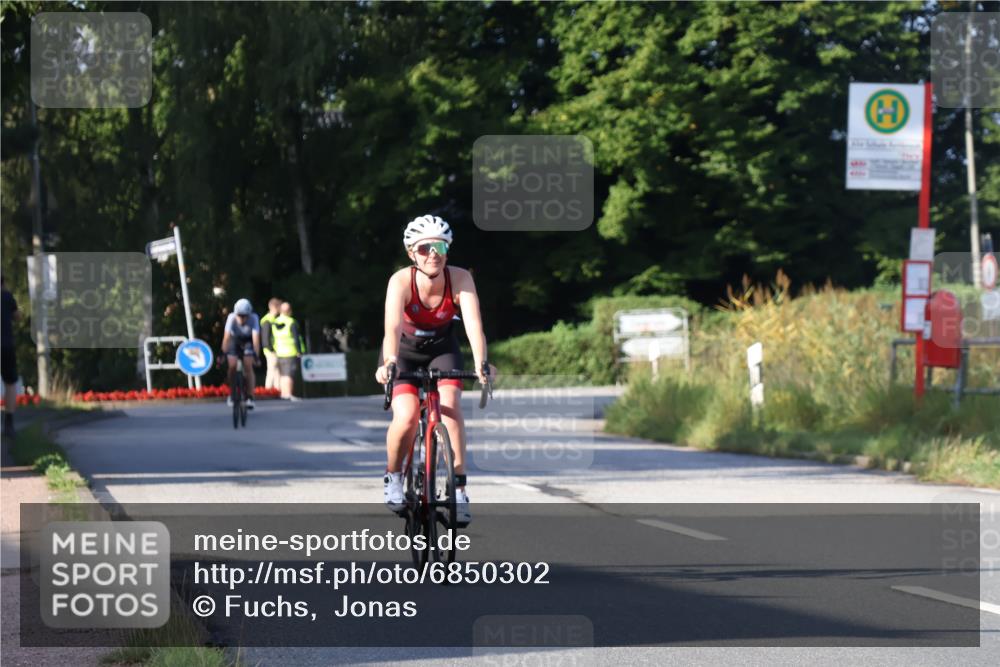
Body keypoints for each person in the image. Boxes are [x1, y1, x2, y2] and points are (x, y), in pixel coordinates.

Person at [374, 215, 494, 525]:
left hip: (442, 350)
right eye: (424, 248)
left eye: (439, 247)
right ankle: (393, 476)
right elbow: (391, 328)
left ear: (447, 249)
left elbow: (473, 324)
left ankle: (459, 490)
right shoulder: (401, 281)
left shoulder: (460, 278)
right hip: (403, 352)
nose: (432, 254)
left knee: (450, 409)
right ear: (411, 253)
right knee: (407, 415)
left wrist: (481, 362)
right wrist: (389, 362)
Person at [220, 298, 261, 409]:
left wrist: (256, 356)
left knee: (248, 366)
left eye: (244, 316)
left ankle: (250, 397)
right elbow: (226, 337)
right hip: (234, 340)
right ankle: (232, 393)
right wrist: (223, 353)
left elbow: (256, 339)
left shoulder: (254, 318)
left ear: (249, 314)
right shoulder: (231, 317)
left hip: (248, 340)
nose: (242, 318)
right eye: (239, 315)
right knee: (232, 366)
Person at [271, 301, 304, 401]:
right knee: (289, 374)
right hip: (290, 352)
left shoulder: (275, 322)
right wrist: (299, 351)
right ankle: (288, 394)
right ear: (289, 311)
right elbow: (296, 338)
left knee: (283, 374)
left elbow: (272, 337)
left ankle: (284, 394)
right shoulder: (291, 322)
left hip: (279, 352)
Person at [1, 276, 18, 438]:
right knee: (10, 383)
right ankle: (9, 423)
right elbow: (17, 316)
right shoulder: (7, 297)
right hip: (6, 345)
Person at [259, 298, 282, 391]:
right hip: (271, 351)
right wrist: (271, 349)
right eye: (279, 307)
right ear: (273, 307)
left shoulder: (273, 319)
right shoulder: (267, 320)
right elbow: (265, 338)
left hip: (275, 350)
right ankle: (268, 391)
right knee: (271, 371)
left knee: (277, 372)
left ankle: (277, 391)